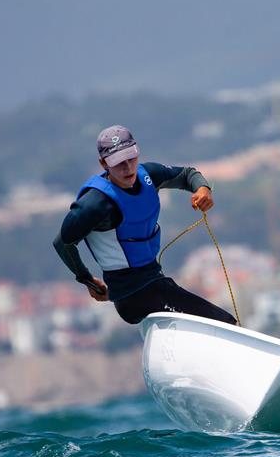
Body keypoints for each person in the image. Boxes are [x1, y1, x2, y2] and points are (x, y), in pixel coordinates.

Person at [53, 125, 237, 326]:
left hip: (154, 280)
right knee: (223, 323)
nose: (128, 167)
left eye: (131, 158)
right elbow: (62, 242)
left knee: (210, 318)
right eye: (119, 162)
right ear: (103, 163)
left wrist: (202, 188)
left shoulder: (148, 175)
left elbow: (187, 175)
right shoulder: (94, 205)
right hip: (132, 295)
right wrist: (86, 279)